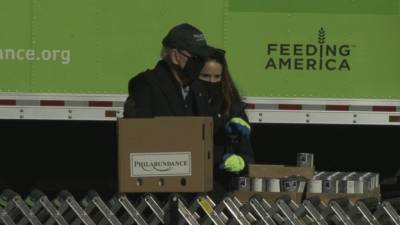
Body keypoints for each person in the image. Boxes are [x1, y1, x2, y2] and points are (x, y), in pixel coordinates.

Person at [123, 23, 253, 200]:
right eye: (196, 57)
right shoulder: (147, 84)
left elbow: (204, 129)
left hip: (191, 186)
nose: (201, 62)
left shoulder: (195, 87)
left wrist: (227, 129)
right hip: (159, 188)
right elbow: (144, 135)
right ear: (175, 56)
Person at [196, 50, 254, 200]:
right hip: (193, 179)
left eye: (217, 77)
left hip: (222, 183)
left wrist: (240, 163)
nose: (211, 82)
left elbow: (248, 157)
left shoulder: (232, 105)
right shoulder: (189, 102)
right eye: (205, 76)